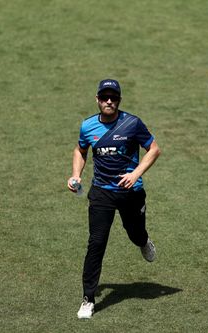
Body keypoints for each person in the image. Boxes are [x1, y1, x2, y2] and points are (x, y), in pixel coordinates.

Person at [68, 79, 161, 319]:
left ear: (119, 100)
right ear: (97, 99)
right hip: (101, 193)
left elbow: (154, 149)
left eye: (114, 98)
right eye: (104, 97)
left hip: (131, 192)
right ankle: (88, 298)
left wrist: (135, 174)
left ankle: (143, 241)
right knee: (96, 243)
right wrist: (76, 175)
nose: (109, 101)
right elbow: (80, 150)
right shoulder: (88, 126)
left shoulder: (132, 123)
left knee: (135, 234)